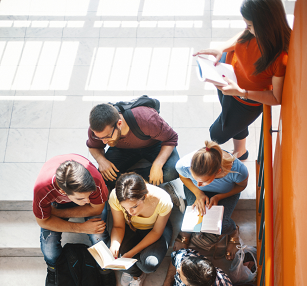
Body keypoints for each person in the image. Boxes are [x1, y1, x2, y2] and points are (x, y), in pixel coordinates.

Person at [194, 0, 291, 160]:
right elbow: (242, 35)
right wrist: (221, 48)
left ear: (265, 25)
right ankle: (241, 151)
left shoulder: (279, 57)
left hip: (245, 99)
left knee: (217, 133)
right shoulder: (254, 33)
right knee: (231, 119)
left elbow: (276, 97)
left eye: (250, 25)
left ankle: (240, 150)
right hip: (227, 77)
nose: (246, 28)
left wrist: (240, 92)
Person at [33, 154, 116, 286]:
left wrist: (56, 214)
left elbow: (95, 208)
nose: (87, 200)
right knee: (49, 245)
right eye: (81, 198)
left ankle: (105, 268)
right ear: (62, 192)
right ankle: (53, 268)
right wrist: (81, 228)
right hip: (56, 202)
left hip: (60, 207)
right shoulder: (43, 189)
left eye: (89, 195)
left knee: (98, 237)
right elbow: (43, 221)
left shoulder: (94, 180)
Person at [86, 102, 184, 211]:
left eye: (107, 136)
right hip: (123, 149)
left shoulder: (147, 119)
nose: (104, 142)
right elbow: (93, 147)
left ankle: (157, 187)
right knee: (105, 176)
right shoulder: (96, 130)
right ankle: (151, 183)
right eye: (100, 138)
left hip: (153, 144)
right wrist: (101, 160)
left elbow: (171, 138)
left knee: (172, 170)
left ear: (119, 123)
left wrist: (158, 164)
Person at [175, 140, 248, 260]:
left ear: (218, 172)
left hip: (226, 193)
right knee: (193, 214)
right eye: (195, 178)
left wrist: (219, 197)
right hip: (195, 192)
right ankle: (187, 231)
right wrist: (198, 192)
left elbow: (241, 186)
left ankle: (234, 231)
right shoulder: (183, 165)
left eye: (203, 181)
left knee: (221, 224)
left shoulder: (237, 170)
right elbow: (183, 176)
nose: (199, 183)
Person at [109, 172, 173, 286]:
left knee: (149, 264)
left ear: (144, 196)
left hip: (155, 229)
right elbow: (118, 226)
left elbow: (156, 232)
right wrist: (114, 245)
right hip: (130, 228)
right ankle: (136, 275)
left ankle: (135, 270)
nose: (130, 212)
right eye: (125, 208)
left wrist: (131, 253)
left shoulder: (163, 200)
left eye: (134, 206)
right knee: (120, 252)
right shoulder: (115, 196)